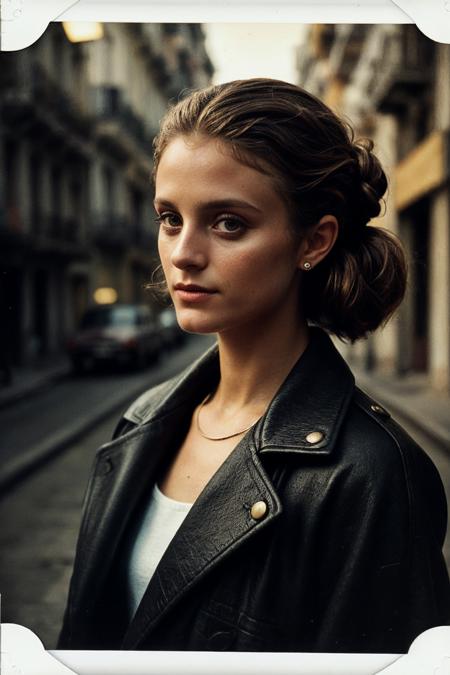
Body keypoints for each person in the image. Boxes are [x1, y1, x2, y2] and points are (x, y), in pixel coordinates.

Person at [58, 78, 450, 653]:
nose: (184, 254)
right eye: (170, 218)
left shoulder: (371, 474)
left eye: (228, 223)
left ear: (313, 241)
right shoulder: (142, 421)